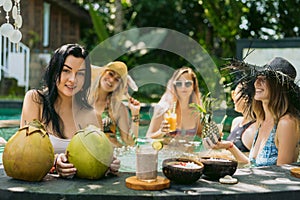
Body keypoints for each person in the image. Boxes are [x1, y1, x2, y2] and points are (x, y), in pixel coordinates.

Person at [20, 43, 120, 177]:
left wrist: (109, 165)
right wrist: (54, 162)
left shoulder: (93, 115)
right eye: (66, 71)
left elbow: (97, 161)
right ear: (55, 71)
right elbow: (24, 152)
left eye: (80, 74)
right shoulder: (35, 100)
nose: (73, 80)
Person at [206, 57, 300, 167]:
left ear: (279, 87)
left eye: (265, 79)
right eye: (257, 77)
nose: (257, 82)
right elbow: (253, 165)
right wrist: (228, 146)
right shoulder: (262, 121)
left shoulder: (286, 123)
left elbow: (283, 175)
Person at [89, 61, 140, 147]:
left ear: (118, 85)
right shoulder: (83, 102)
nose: (112, 80)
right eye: (111, 74)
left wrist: (135, 114)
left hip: (114, 154)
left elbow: (130, 142)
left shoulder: (118, 108)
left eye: (117, 79)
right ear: (102, 73)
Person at [146, 67, 202, 140]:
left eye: (188, 84)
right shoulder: (164, 109)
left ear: (193, 86)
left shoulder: (196, 111)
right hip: (167, 151)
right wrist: (161, 132)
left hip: (189, 151)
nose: (183, 87)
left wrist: (214, 135)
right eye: (179, 84)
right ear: (174, 86)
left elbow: (200, 133)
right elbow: (148, 137)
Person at [226, 80, 256, 153]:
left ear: (246, 98)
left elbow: (252, 160)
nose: (232, 98)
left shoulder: (254, 128)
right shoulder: (236, 121)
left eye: (234, 94)